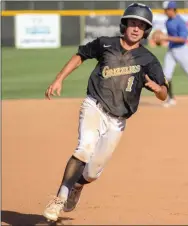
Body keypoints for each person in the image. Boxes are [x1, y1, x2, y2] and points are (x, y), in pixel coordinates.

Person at [42, 3, 168, 222]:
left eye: (141, 25)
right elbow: (80, 55)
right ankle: (59, 199)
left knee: (91, 173)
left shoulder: (148, 60)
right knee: (84, 148)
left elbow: (164, 92)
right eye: (132, 23)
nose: (136, 28)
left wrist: (159, 90)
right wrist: (59, 79)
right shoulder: (105, 44)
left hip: (118, 121)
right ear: (125, 24)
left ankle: (77, 186)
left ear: (146, 30)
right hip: (94, 106)